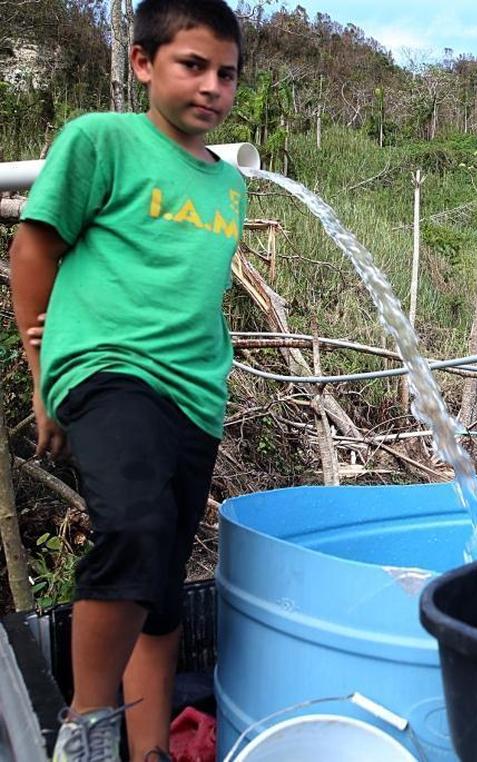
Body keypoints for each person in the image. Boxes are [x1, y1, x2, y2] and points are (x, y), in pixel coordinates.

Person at [9, 2, 247, 759]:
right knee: (134, 528)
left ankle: (146, 752)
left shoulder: (228, 188)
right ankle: (86, 725)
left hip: (195, 393)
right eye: (193, 65)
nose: (212, 86)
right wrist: (42, 372)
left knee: (164, 584)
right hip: (108, 367)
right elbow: (35, 249)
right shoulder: (101, 141)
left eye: (227, 73)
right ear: (144, 64)